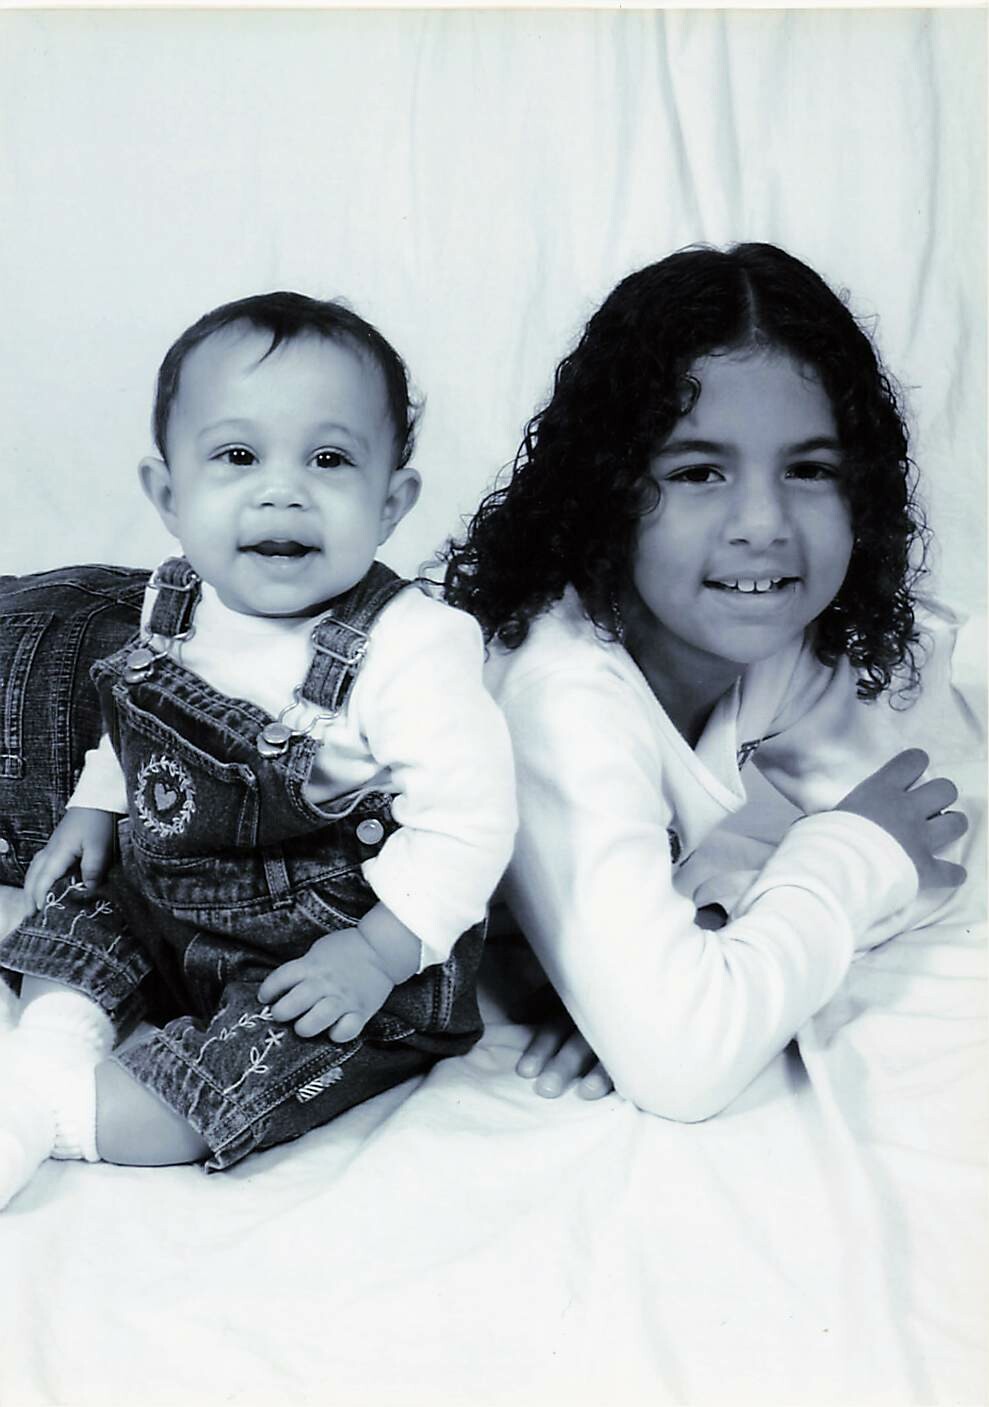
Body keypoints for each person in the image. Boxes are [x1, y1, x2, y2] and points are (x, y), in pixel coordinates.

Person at [0, 291, 516, 1206]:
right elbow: (133, 715)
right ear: (169, 495)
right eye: (238, 456)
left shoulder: (412, 644)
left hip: (329, 951)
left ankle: (56, 1111)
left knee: (221, 1090)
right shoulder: (177, 599)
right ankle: (51, 1044)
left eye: (329, 459)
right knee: (73, 916)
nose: (283, 490)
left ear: (392, 502)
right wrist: (96, 804)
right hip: (171, 897)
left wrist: (378, 953)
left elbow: (470, 823)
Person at [442, 242, 971, 1118]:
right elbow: (682, 1065)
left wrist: (706, 938)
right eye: (696, 472)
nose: (762, 524)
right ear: (607, 490)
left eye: (809, 470)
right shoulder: (561, 693)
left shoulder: (778, 641)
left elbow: (932, 843)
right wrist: (838, 864)